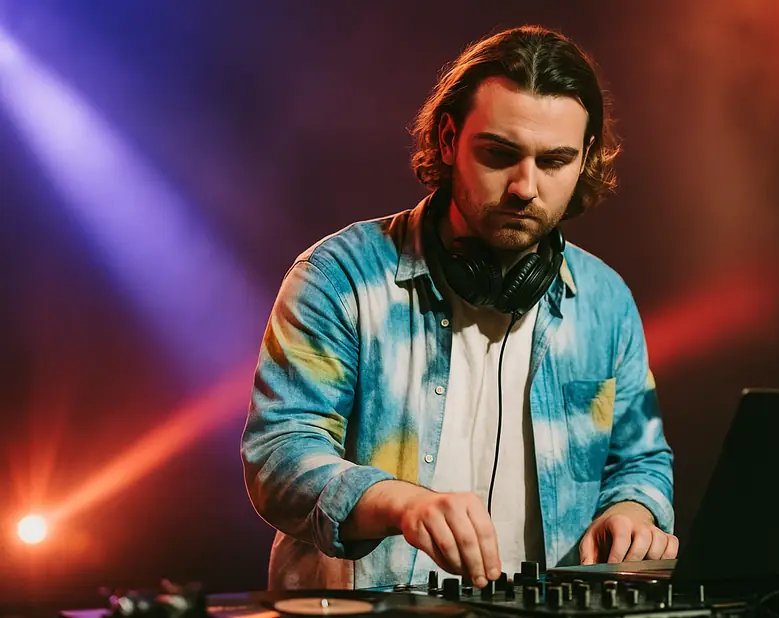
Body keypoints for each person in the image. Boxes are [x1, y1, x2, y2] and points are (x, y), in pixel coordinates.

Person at [241, 24, 677, 592]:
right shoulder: (339, 276)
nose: (525, 186)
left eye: (555, 161)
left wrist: (633, 515)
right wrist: (399, 504)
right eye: (499, 154)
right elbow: (279, 453)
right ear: (448, 140)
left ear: (585, 158)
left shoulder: (606, 302)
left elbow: (641, 462)